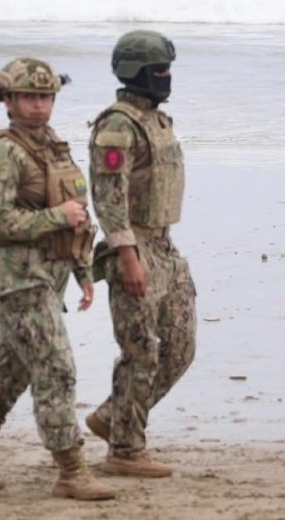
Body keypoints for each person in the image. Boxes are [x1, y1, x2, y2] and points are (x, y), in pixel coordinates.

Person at [0, 58, 115, 501]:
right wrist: (56, 216)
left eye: (46, 96)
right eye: (29, 97)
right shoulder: (4, 151)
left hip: (49, 275)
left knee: (12, 370)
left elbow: (75, 210)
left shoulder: (54, 145)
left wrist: (82, 270)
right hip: (16, 279)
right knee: (56, 367)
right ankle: (71, 470)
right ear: (8, 100)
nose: (39, 105)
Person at [85, 30, 196, 478]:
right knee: (140, 352)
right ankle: (125, 451)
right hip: (134, 246)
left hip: (165, 245)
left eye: (168, 68)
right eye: (158, 70)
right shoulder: (117, 125)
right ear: (136, 72)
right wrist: (128, 257)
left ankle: (113, 417)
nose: (166, 77)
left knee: (180, 348)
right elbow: (108, 201)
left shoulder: (156, 120)